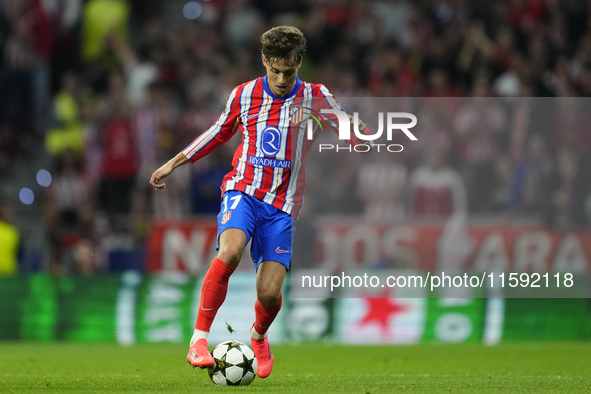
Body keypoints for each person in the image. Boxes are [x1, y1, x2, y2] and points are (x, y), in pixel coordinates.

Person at [149, 26, 368, 378]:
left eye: (290, 72)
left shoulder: (316, 95)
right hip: (244, 191)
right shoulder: (244, 95)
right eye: (275, 70)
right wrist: (173, 163)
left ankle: (259, 335)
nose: (281, 79)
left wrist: (357, 136)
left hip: (282, 208)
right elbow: (217, 132)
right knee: (230, 251)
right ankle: (199, 340)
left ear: (300, 63)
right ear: (264, 60)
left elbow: (343, 123)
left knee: (268, 294)